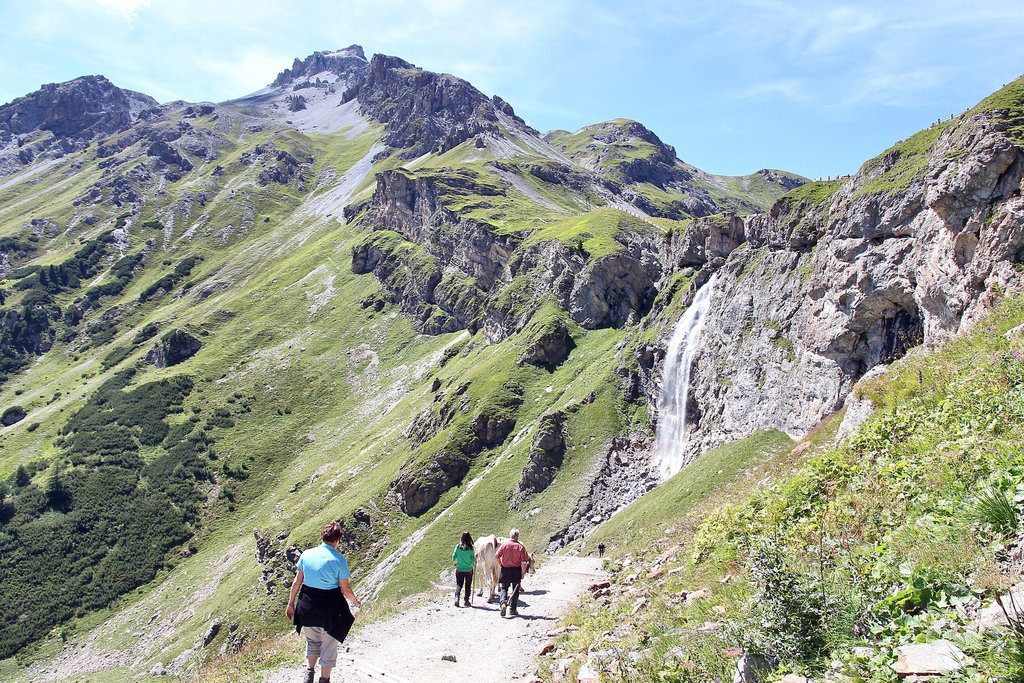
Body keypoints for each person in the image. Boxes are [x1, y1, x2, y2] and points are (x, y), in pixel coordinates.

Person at [286, 522, 362, 683]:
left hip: (306, 605)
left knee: (312, 640)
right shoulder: (339, 560)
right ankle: (324, 679)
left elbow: (297, 582)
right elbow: (345, 589)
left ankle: (309, 673)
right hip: (330, 607)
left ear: (323, 536)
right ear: (338, 539)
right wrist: (355, 601)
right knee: (328, 643)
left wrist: (290, 604)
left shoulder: (306, 554)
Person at [495, 528, 531, 617]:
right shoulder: (520, 547)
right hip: (516, 570)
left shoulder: (504, 545)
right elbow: (523, 562)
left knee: (504, 588)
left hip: (505, 569)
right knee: (515, 589)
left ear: (510, 535)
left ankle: (503, 603)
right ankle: (512, 609)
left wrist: (501, 564)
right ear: (517, 537)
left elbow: (496, 556)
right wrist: (523, 573)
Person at [452, 531, 475, 607]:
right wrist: (475, 559)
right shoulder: (471, 548)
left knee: (459, 584)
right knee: (468, 585)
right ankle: (466, 600)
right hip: (468, 570)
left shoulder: (458, 547)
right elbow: (473, 560)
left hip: (459, 569)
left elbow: (454, 557)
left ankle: (457, 597)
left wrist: (454, 563)